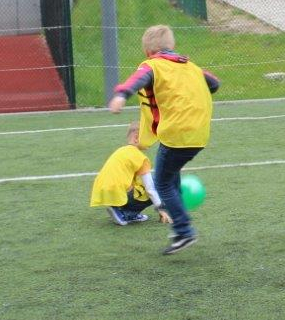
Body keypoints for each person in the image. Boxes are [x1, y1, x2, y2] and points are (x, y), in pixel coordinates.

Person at [108, 25, 219, 256]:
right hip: (199, 134)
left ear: (148, 51)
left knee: (162, 183)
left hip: (175, 133)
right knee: (171, 173)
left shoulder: (152, 65)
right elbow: (214, 83)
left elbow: (138, 79)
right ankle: (178, 214)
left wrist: (121, 95)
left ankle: (183, 230)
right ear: (172, 46)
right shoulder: (191, 66)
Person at [90, 124, 171, 227]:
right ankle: (126, 214)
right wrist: (161, 209)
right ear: (136, 138)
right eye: (148, 138)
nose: (151, 142)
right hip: (117, 191)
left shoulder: (121, 151)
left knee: (138, 185)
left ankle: (121, 209)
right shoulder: (141, 158)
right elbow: (150, 189)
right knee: (157, 183)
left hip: (103, 191)